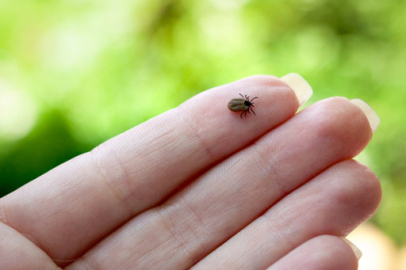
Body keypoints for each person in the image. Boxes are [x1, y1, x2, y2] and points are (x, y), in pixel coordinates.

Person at [0, 74, 381, 270]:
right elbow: (242, 106)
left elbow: (242, 106)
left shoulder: (243, 107)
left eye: (248, 104)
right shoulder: (244, 107)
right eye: (249, 104)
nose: (247, 104)